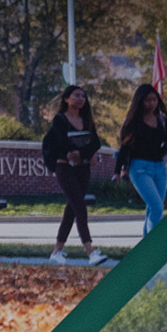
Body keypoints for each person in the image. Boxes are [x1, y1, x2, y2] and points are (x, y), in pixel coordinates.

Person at [41, 84, 105, 264]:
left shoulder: (87, 120)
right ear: (66, 99)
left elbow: (96, 143)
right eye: (76, 95)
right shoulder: (60, 119)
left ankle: (56, 252)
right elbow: (61, 142)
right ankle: (91, 252)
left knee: (71, 211)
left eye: (83, 96)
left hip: (83, 169)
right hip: (65, 167)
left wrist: (84, 155)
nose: (80, 99)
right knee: (80, 207)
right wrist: (76, 153)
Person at [116, 83, 167, 234]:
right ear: (140, 101)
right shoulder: (133, 123)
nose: (152, 103)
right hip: (140, 168)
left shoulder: (161, 120)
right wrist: (118, 171)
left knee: (153, 208)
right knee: (157, 207)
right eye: (148, 100)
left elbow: (165, 143)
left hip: (160, 168)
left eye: (154, 99)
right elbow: (124, 148)